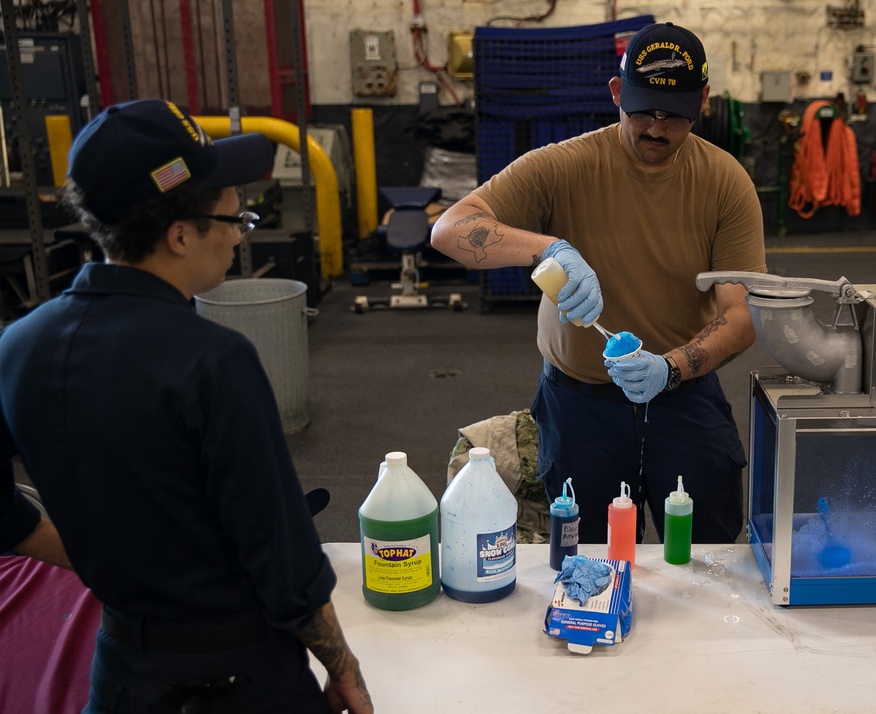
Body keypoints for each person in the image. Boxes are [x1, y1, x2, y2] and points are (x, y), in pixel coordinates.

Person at [0, 99, 373, 714]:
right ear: (179, 235)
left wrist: (86, 553)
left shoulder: (19, 345)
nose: (237, 234)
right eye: (234, 218)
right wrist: (343, 666)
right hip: (240, 681)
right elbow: (284, 563)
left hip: (121, 675)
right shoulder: (213, 361)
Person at [430, 22, 767, 546]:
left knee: (712, 558)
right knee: (586, 560)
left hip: (683, 400)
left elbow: (743, 313)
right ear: (615, 93)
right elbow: (449, 230)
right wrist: (547, 248)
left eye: (675, 114)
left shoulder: (725, 182)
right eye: (641, 110)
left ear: (703, 100)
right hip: (580, 408)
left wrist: (672, 368)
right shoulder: (563, 167)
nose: (655, 128)